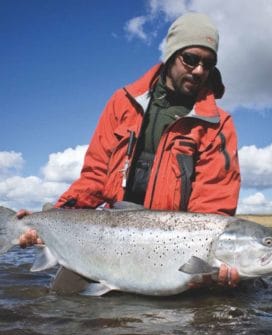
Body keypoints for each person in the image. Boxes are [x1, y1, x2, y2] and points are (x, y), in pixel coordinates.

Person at [18, 12, 241, 287]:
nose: (199, 71)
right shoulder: (122, 103)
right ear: (171, 54)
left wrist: (215, 262)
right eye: (191, 59)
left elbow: (212, 207)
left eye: (208, 64)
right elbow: (95, 175)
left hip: (170, 249)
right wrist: (53, 217)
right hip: (110, 236)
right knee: (62, 306)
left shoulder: (219, 125)